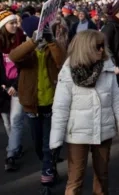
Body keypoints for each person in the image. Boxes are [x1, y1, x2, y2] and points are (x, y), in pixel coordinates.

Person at [49, 30, 119, 194]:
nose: (102, 50)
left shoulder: (107, 69)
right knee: (75, 180)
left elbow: (117, 103)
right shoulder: (67, 72)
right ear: (85, 48)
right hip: (77, 135)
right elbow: (60, 110)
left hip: (104, 132)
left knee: (102, 177)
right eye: (97, 46)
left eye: (103, 46)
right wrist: (55, 143)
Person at [8, 29, 64, 184]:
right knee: (38, 142)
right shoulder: (27, 51)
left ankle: (47, 169)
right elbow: (13, 56)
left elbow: (61, 60)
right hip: (32, 103)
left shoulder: (51, 48)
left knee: (49, 141)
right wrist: (32, 42)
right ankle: (49, 164)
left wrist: (51, 40)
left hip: (51, 102)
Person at [0, 10, 25, 171]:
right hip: (2, 86)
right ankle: (15, 145)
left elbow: (24, 65)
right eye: (12, 23)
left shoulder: (21, 38)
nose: (16, 25)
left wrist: (15, 85)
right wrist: (4, 84)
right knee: (7, 122)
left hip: (18, 85)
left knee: (16, 119)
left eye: (16, 22)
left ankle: (11, 154)